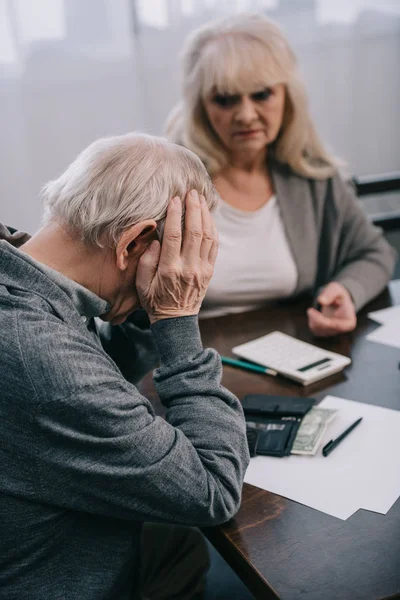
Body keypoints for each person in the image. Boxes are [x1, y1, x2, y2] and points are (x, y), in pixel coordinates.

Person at [0, 132, 250, 600]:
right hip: (49, 577)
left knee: (178, 546)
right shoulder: (39, 357)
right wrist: (176, 319)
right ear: (136, 242)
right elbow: (212, 488)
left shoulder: (24, 283)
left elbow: (88, 366)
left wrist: (144, 306)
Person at [166, 13, 396, 336]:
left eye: (261, 94)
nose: (246, 115)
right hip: (190, 367)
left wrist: (345, 291)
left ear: (287, 96)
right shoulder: (167, 186)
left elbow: (374, 252)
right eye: (225, 99)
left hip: (293, 359)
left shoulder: (312, 178)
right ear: (200, 107)